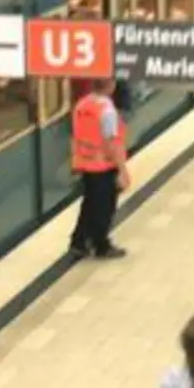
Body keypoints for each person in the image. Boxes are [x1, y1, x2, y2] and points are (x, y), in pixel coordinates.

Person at [69, 78, 129, 261]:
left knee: (88, 204)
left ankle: (78, 242)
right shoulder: (107, 110)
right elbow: (112, 142)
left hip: (86, 163)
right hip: (104, 165)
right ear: (110, 86)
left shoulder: (82, 104)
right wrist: (122, 171)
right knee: (104, 207)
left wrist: (75, 161)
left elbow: (75, 135)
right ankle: (101, 245)